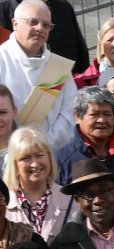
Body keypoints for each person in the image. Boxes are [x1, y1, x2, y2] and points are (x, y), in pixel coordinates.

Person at [0, 0, 78, 147]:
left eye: (46, 25)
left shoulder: (58, 67)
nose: (40, 28)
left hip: (52, 155)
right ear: (15, 24)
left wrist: (44, 146)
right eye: (33, 22)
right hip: (7, 156)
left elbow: (70, 112)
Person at [54, 87, 114, 184]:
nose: (102, 120)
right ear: (77, 117)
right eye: (95, 114)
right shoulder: (63, 159)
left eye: (107, 114)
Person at [4, 128, 74, 243]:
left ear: (49, 157)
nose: (35, 164)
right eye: (25, 158)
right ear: (14, 164)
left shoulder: (71, 200)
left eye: (40, 155)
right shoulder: (3, 206)